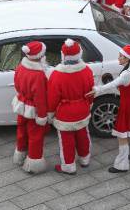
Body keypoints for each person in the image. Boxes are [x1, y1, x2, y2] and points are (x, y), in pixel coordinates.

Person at [87, 45, 130, 173]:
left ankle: (122, 165)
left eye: (121, 56)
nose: (118, 58)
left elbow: (113, 84)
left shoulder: (126, 74)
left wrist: (97, 89)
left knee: (122, 136)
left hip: (126, 106)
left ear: (127, 59)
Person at [48, 39, 94, 175]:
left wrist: (50, 113)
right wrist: (89, 104)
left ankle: (68, 166)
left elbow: (52, 97)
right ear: (79, 54)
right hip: (82, 108)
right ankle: (85, 159)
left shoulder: (57, 74)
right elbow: (91, 91)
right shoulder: (86, 70)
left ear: (63, 55)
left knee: (66, 140)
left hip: (64, 113)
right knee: (83, 135)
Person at [12, 41, 49, 174]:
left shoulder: (21, 66)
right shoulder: (38, 74)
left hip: (21, 105)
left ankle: (20, 155)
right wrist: (43, 115)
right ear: (40, 56)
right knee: (35, 136)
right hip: (33, 110)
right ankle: (33, 163)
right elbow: (40, 98)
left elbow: (16, 84)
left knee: (21, 132)